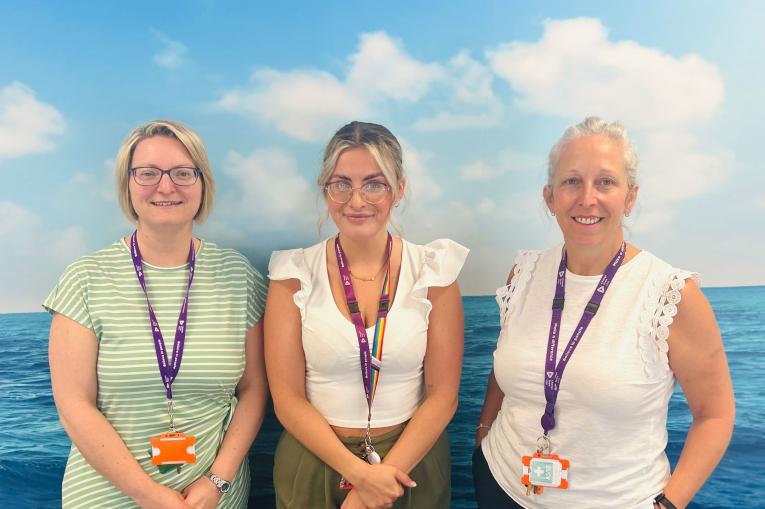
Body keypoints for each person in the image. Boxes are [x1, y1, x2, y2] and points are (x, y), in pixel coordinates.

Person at [473, 117, 735, 509]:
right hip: (502, 487)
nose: (587, 198)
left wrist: (669, 504)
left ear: (630, 197)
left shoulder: (671, 295)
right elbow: (508, 364)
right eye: (572, 181)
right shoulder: (524, 274)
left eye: (606, 182)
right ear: (550, 197)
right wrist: (482, 434)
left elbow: (714, 415)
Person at [45, 120, 269, 509]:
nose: (166, 186)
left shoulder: (238, 276)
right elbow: (74, 404)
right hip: (106, 497)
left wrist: (217, 483)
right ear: (127, 186)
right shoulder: (85, 278)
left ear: (203, 184)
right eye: (147, 173)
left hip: (213, 498)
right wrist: (149, 495)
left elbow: (253, 390)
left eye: (183, 173)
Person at [265, 121, 468, 509]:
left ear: (399, 189)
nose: (356, 200)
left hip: (410, 467)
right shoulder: (292, 275)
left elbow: (442, 396)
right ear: (326, 190)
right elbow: (287, 399)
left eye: (374, 184)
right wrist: (359, 478)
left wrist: (377, 483)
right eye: (341, 184)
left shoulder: (434, 271)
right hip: (315, 460)